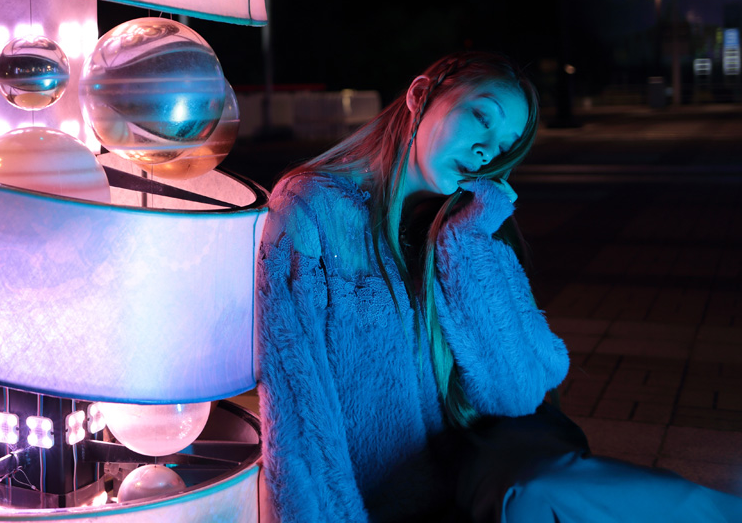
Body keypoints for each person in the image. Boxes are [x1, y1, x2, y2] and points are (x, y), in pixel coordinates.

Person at [256, 52, 740, 522]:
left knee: (551, 493)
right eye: (481, 117)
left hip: (484, 477)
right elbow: (298, 406)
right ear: (421, 95)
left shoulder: (467, 224)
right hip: (394, 503)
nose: (487, 150)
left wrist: (466, 242)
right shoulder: (311, 208)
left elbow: (518, 393)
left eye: (504, 145)